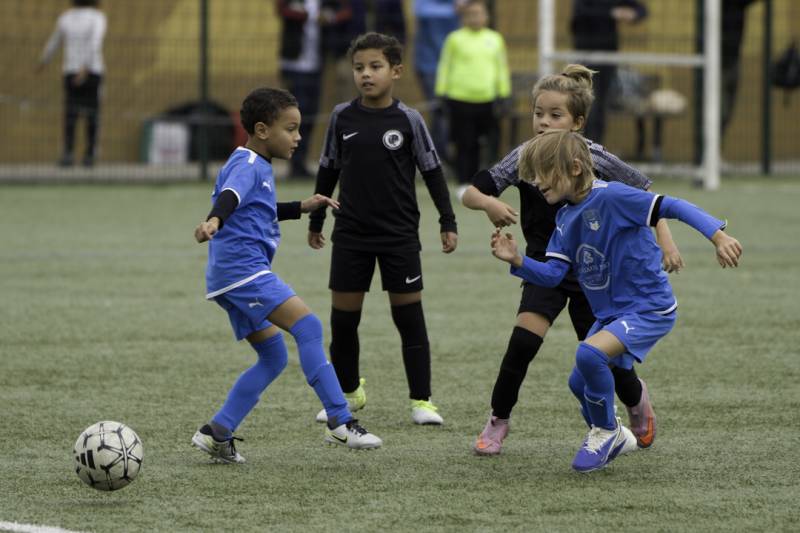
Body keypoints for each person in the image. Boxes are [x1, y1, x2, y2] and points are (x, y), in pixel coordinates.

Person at [462, 65, 684, 456]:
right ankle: (498, 421)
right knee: (522, 345)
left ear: (578, 123)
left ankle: (634, 402)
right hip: (543, 268)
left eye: (555, 115)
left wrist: (665, 241)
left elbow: (648, 198)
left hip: (593, 276)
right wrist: (490, 202)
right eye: (538, 113)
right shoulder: (523, 156)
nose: (543, 123)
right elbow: (470, 193)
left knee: (605, 360)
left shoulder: (594, 157)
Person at [491, 129, 743, 472]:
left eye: (543, 172)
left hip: (648, 308)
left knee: (589, 353)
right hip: (612, 315)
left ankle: (607, 431)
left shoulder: (614, 197)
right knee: (577, 382)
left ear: (576, 168)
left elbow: (672, 205)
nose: (535, 182)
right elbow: (552, 276)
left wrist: (718, 234)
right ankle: (613, 432)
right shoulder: (565, 219)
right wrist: (518, 261)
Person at [191, 87, 382, 463]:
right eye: (290, 129)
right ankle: (341, 422)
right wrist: (214, 219)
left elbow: (256, 208)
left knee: (273, 356)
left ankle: (218, 432)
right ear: (262, 129)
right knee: (308, 327)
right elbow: (230, 197)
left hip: (229, 278)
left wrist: (302, 207)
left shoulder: (254, 164)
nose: (298, 137)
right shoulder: (247, 165)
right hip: (244, 273)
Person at [308, 32, 458, 426]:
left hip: (399, 236)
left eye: (375, 67)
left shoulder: (409, 119)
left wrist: (447, 220)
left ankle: (422, 401)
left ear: (396, 71)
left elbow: (432, 172)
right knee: (343, 322)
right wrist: (317, 218)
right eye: (359, 68)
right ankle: (348, 394)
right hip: (352, 235)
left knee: (409, 319)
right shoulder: (342, 116)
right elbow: (328, 168)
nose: (366, 75)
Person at [435, 0, 511, 199]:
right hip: (459, 98)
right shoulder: (454, 39)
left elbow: (501, 68)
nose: (475, 18)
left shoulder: (495, 39)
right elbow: (445, 66)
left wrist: (504, 94)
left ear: (486, 16)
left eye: (479, 13)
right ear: (463, 17)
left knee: (484, 143)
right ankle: (462, 181)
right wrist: (441, 93)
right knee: (464, 142)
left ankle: (481, 182)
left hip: (486, 100)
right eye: (470, 14)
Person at [277, 0, 352, 179]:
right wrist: (308, 15)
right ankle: (294, 163)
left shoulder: (326, 3)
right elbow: (282, 10)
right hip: (294, 64)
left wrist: (328, 17)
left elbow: (344, 12)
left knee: (311, 113)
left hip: (316, 65)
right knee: (295, 114)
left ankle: (300, 162)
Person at [37, 0, 107, 167]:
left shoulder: (66, 18)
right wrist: (85, 68)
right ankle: (88, 155)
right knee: (92, 114)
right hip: (92, 71)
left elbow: (54, 42)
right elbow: (94, 44)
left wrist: (43, 61)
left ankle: (69, 154)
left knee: (71, 114)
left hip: (71, 71)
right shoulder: (97, 18)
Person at [570, 0, 647, 145]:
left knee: (600, 107)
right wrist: (612, 14)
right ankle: (581, 147)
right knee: (587, 104)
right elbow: (581, 13)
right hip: (586, 54)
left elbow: (641, 9)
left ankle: (594, 149)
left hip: (608, 55)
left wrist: (634, 14)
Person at [413, 0, 461, 161]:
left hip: (455, 69)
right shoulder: (426, 6)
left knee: (447, 114)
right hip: (430, 66)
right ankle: (439, 158)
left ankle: (439, 157)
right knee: (440, 113)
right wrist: (455, 7)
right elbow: (422, 11)